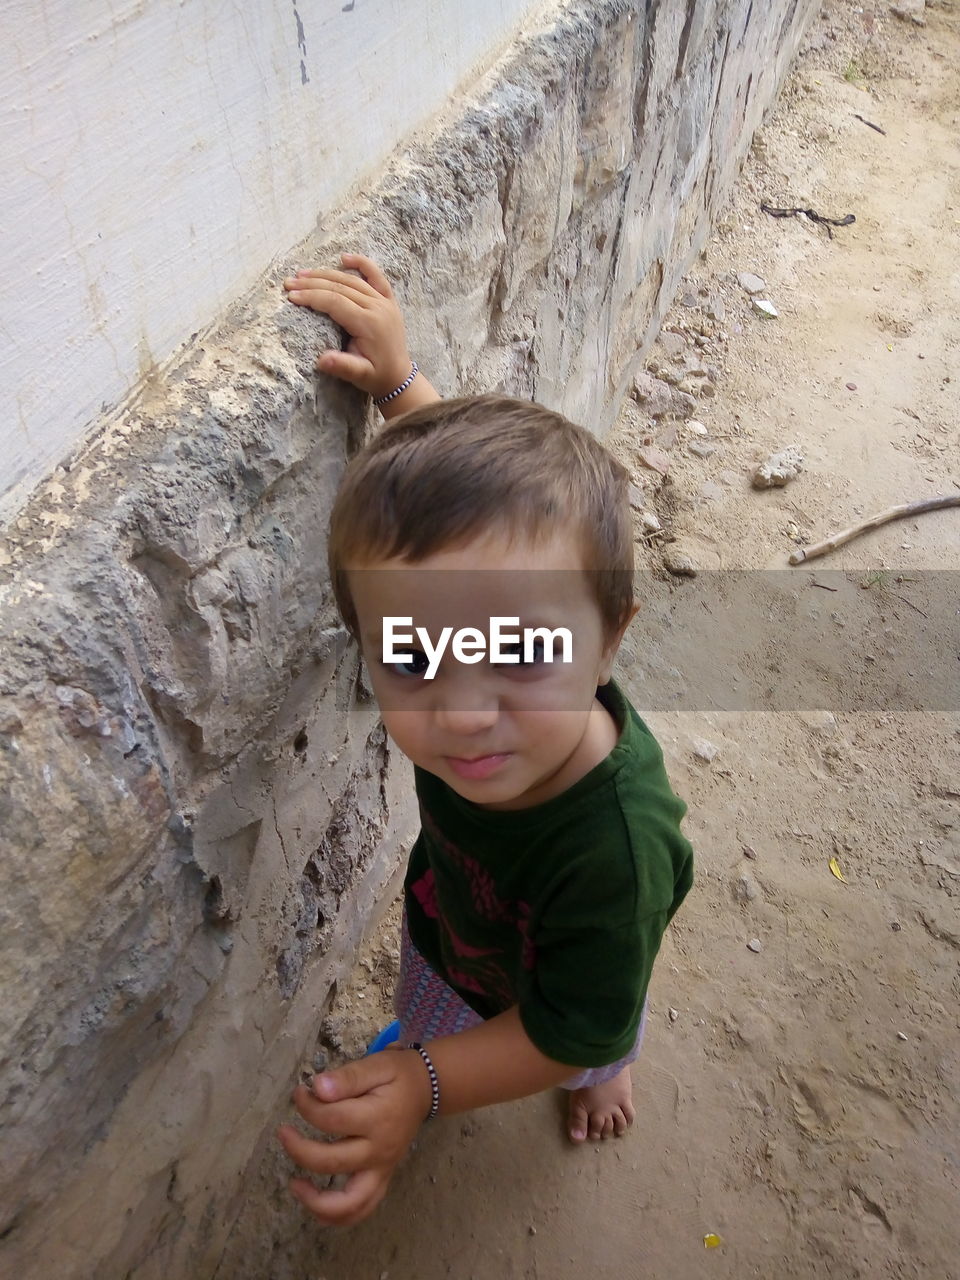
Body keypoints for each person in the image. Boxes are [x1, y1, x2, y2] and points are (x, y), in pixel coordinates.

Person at [275, 254, 694, 1226]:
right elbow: (462, 523)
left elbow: (561, 1019)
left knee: (589, 1032)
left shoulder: (615, 856)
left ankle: (600, 1078)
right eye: (415, 653)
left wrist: (425, 1083)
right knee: (437, 1008)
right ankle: (436, 1044)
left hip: (564, 977)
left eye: (517, 648)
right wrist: (397, 384)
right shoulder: (504, 711)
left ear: (610, 638)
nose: (463, 711)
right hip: (457, 919)